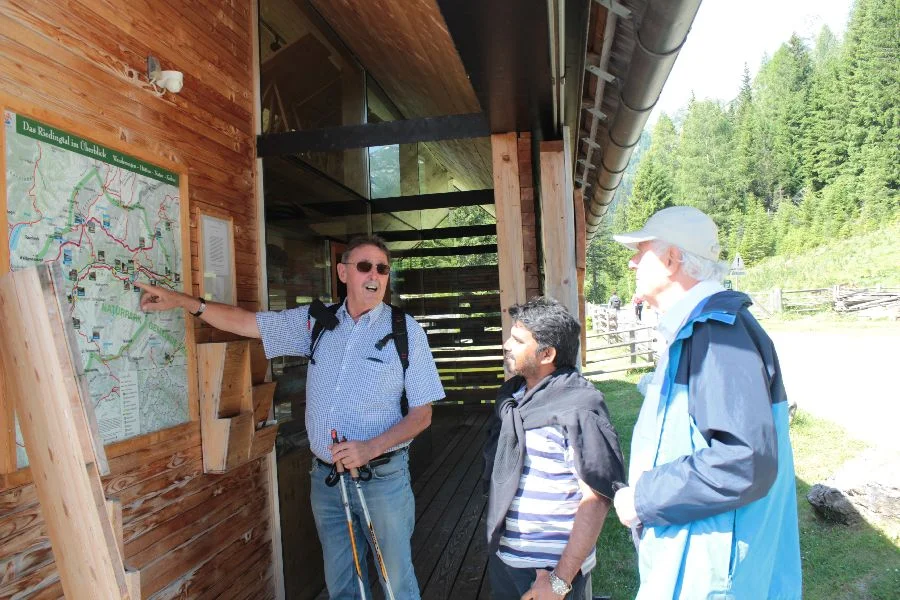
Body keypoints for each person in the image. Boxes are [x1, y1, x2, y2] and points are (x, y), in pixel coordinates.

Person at [136, 235, 444, 599]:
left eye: (382, 268)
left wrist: (370, 447)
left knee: (397, 584)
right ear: (343, 272)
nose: (374, 275)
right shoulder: (317, 323)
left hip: (382, 478)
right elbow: (250, 324)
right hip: (327, 480)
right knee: (342, 584)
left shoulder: (404, 331)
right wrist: (185, 302)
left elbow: (422, 414)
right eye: (364, 266)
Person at [611, 206, 802, 599]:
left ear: (670, 259)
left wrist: (643, 499)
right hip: (699, 559)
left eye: (640, 250)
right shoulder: (704, 330)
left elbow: (745, 459)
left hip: (713, 576)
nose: (631, 263)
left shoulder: (717, 333)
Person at [483, 297, 624, 600]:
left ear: (547, 354)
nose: (506, 344)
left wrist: (560, 581)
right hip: (508, 562)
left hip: (551, 576)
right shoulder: (514, 397)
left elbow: (597, 498)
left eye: (518, 340)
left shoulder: (579, 408)